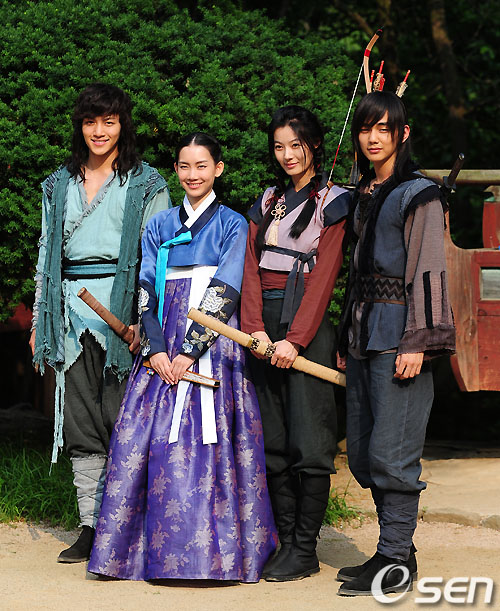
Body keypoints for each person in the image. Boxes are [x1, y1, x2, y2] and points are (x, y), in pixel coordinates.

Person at [87, 132, 277, 582]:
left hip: (213, 340)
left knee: (218, 438)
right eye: (185, 166)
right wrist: (155, 350)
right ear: (175, 170)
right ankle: (138, 555)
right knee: (143, 437)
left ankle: (218, 556)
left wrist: (190, 352)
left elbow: (226, 288)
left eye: (202, 166)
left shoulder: (232, 223)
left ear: (218, 169)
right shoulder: (159, 225)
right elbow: (146, 290)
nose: (193, 175)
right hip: (162, 338)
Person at [30, 83, 171, 563]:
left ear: (122, 125)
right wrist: (40, 318)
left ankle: (129, 524)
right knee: (81, 422)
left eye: (109, 121)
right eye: (90, 121)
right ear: (81, 125)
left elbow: (158, 259)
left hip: (123, 314)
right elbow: (47, 254)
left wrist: (147, 322)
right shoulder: (58, 184)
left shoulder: (147, 184)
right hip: (68, 314)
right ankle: (91, 525)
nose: (99, 130)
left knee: (124, 419)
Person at [335, 91, 455, 597]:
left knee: (392, 456)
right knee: (364, 455)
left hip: (400, 338)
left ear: (402, 134)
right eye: (366, 128)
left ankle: (394, 561)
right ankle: (397, 551)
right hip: (362, 337)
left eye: (384, 129)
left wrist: (418, 342)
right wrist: (345, 333)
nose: (373, 138)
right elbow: (355, 272)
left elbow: (429, 269)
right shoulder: (363, 192)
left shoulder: (419, 194)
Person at [240, 106, 350, 581]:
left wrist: (297, 341)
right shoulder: (268, 200)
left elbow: (324, 278)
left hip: (307, 326)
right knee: (273, 439)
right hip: (262, 329)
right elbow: (248, 265)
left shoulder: (334, 201)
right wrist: (254, 329)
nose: (287, 155)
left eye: (296, 145)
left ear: (315, 145)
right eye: (279, 146)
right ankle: (287, 542)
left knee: (310, 438)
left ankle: (305, 548)